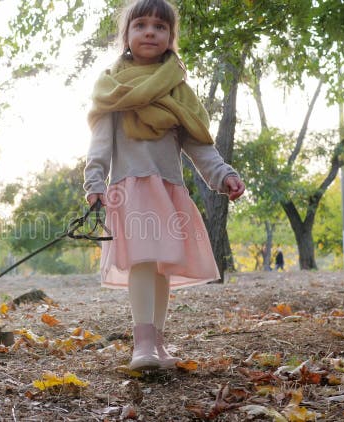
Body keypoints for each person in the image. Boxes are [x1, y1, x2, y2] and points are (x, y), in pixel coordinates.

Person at [83, 0, 244, 371]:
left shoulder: (179, 92)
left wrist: (224, 175)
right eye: (140, 25)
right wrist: (94, 181)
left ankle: (157, 342)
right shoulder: (113, 87)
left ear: (171, 37)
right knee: (141, 261)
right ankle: (141, 344)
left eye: (160, 26)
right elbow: (100, 143)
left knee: (162, 268)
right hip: (131, 189)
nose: (150, 32)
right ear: (126, 35)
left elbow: (200, 145)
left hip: (169, 190)